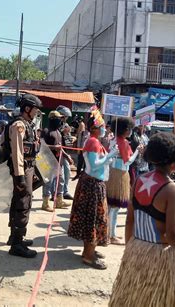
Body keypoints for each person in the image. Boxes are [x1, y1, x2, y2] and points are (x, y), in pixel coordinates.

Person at [109, 132, 175, 306]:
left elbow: (129, 221)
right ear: (173, 162)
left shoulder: (140, 180)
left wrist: (131, 249)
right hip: (162, 257)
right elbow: (174, 238)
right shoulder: (173, 190)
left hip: (137, 250)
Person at [68, 114, 118, 270]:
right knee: (93, 220)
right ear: (94, 128)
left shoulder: (94, 142)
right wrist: (110, 155)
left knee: (92, 219)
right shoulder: (93, 142)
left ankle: (88, 251)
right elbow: (94, 165)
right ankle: (88, 257)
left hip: (92, 184)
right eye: (102, 126)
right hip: (92, 185)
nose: (104, 128)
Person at [3, 94, 42, 258]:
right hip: (22, 169)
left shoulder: (28, 124)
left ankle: (15, 237)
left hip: (29, 167)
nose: (36, 112)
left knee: (23, 200)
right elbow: (17, 152)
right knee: (23, 202)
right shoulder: (19, 125)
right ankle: (17, 244)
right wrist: (19, 176)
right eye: (35, 109)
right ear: (27, 108)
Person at [106, 118, 141, 245]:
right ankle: (111, 235)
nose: (131, 131)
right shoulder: (123, 142)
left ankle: (108, 233)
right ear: (126, 130)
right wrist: (138, 151)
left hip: (112, 172)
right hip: (120, 174)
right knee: (115, 208)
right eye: (130, 129)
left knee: (110, 206)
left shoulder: (113, 140)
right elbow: (128, 161)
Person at [41, 111, 72, 212]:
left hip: (59, 161)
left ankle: (59, 201)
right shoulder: (46, 131)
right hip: (48, 161)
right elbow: (41, 145)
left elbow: (61, 147)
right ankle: (45, 203)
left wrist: (67, 157)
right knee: (48, 182)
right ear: (52, 119)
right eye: (58, 119)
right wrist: (54, 147)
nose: (60, 120)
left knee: (61, 181)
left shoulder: (58, 132)